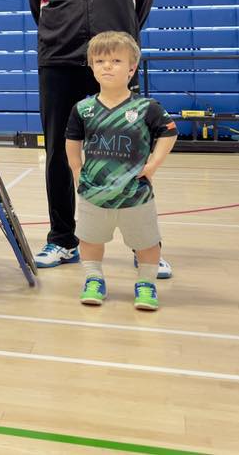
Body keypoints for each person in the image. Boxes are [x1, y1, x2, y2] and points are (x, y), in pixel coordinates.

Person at [26, 0, 169, 277]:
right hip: (59, 61)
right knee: (58, 150)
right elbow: (40, 8)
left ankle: (146, 247)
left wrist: (117, 45)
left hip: (114, 64)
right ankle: (61, 239)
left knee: (129, 151)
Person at [66, 31, 177, 311]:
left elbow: (168, 132)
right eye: (100, 60)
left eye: (116, 60)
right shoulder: (84, 108)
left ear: (131, 68)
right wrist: (77, 170)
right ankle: (94, 279)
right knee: (90, 240)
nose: (107, 66)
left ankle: (146, 284)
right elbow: (72, 142)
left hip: (135, 194)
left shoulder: (145, 107)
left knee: (147, 243)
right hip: (95, 192)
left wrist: (153, 165)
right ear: (91, 67)